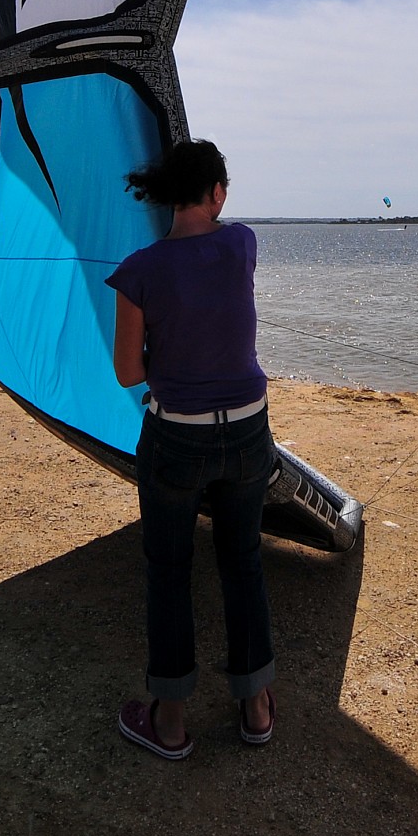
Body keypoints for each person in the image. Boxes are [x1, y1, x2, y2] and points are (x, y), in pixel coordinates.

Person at [104, 138, 276, 761]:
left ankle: (170, 722)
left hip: (177, 432)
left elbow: (128, 373)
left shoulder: (138, 270)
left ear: (164, 198)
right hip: (250, 430)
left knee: (170, 570)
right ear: (218, 194)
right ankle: (255, 706)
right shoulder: (242, 244)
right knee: (243, 561)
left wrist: (167, 354)